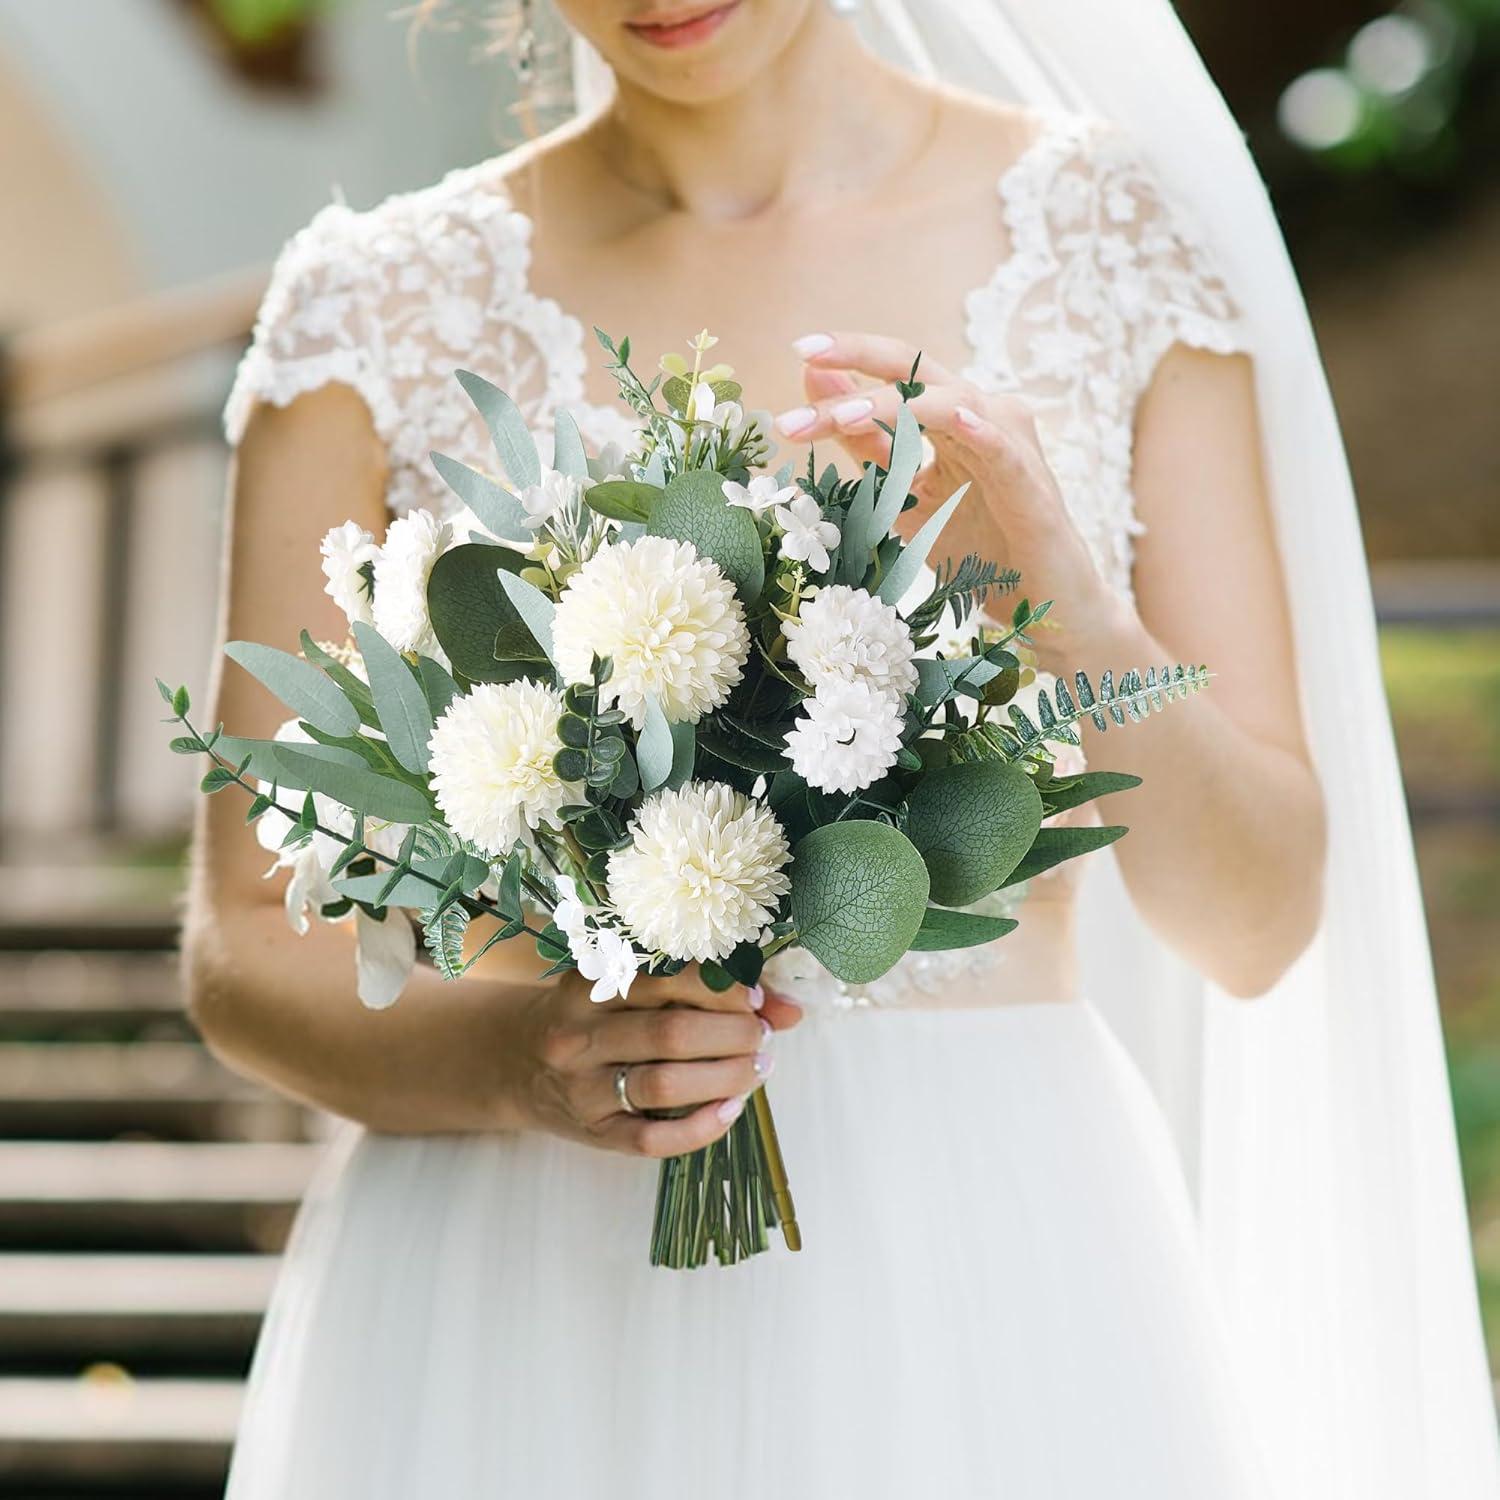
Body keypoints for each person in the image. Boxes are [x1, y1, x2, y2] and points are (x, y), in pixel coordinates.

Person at [187, 2, 1498, 1495]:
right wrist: (522, 1063)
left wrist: (1072, 608)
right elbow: (242, 943)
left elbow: (1258, 919)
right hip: (520, 1284)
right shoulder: (371, 304)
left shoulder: (1107, 241)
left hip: (983, 1258)